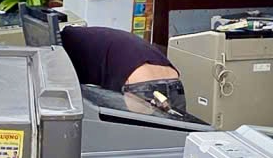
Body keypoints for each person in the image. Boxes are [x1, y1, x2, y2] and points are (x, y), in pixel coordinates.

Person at [58, 23, 187, 114]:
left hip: (140, 83)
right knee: (174, 138)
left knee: (133, 141)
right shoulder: (83, 35)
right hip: (172, 78)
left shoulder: (60, 47)